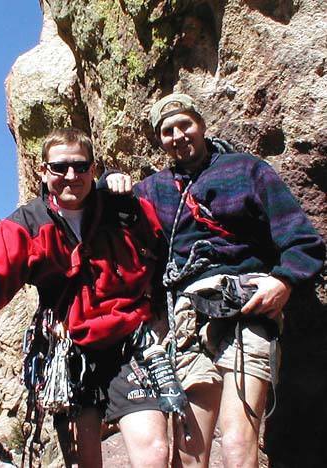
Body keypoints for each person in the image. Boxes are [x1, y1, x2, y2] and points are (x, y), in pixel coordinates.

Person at [0, 127, 171, 468]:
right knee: (84, 462)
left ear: (94, 169)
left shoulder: (122, 209)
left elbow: (162, 246)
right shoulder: (28, 223)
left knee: (155, 453)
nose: (71, 176)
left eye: (81, 167)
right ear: (42, 171)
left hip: (127, 342)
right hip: (68, 351)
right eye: (59, 167)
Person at [104, 93, 325, 467]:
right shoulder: (154, 189)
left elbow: (303, 240)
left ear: (202, 125)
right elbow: (110, 223)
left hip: (247, 308)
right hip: (188, 317)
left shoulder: (248, 170)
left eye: (184, 124)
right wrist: (110, 182)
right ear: (160, 140)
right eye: (167, 131)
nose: (178, 135)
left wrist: (283, 282)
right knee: (190, 452)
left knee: (239, 443)